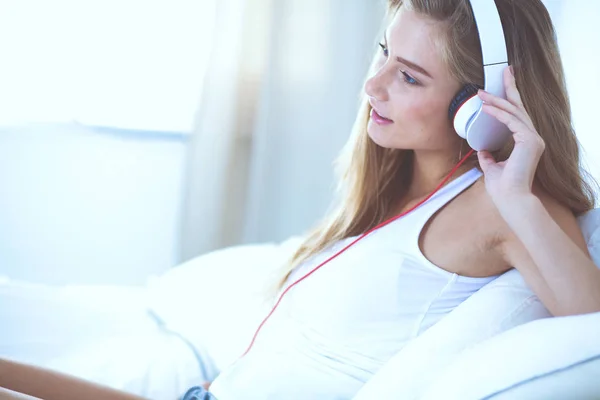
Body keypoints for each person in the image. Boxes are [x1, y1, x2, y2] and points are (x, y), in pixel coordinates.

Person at [1, 0, 599, 399]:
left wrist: (518, 193)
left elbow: (589, 329)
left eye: (410, 76)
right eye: (383, 52)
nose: (373, 86)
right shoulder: (395, 185)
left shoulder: (504, 206)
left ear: (482, 101)